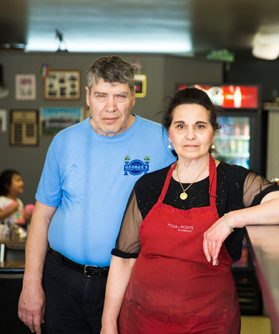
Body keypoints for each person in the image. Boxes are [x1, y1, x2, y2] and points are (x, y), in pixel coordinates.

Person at [100, 87, 279, 333]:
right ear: (169, 135)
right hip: (142, 320)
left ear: (214, 134)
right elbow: (124, 259)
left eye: (200, 126)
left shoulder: (233, 181)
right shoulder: (149, 185)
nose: (190, 136)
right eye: (181, 126)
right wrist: (108, 322)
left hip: (209, 323)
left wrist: (231, 219)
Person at [17, 55, 176, 334]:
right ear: (88, 96)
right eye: (101, 95)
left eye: (120, 96)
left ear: (133, 97)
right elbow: (41, 217)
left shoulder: (163, 141)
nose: (111, 107)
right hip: (62, 280)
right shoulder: (64, 142)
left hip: (129, 281)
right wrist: (31, 284)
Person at [0, 169, 31, 237]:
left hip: (17, 233)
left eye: (21, 180)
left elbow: (19, 217)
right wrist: (11, 208)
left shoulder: (19, 201)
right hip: (4, 235)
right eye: (18, 180)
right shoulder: (2, 200)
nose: (22, 183)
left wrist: (26, 217)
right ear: (7, 185)